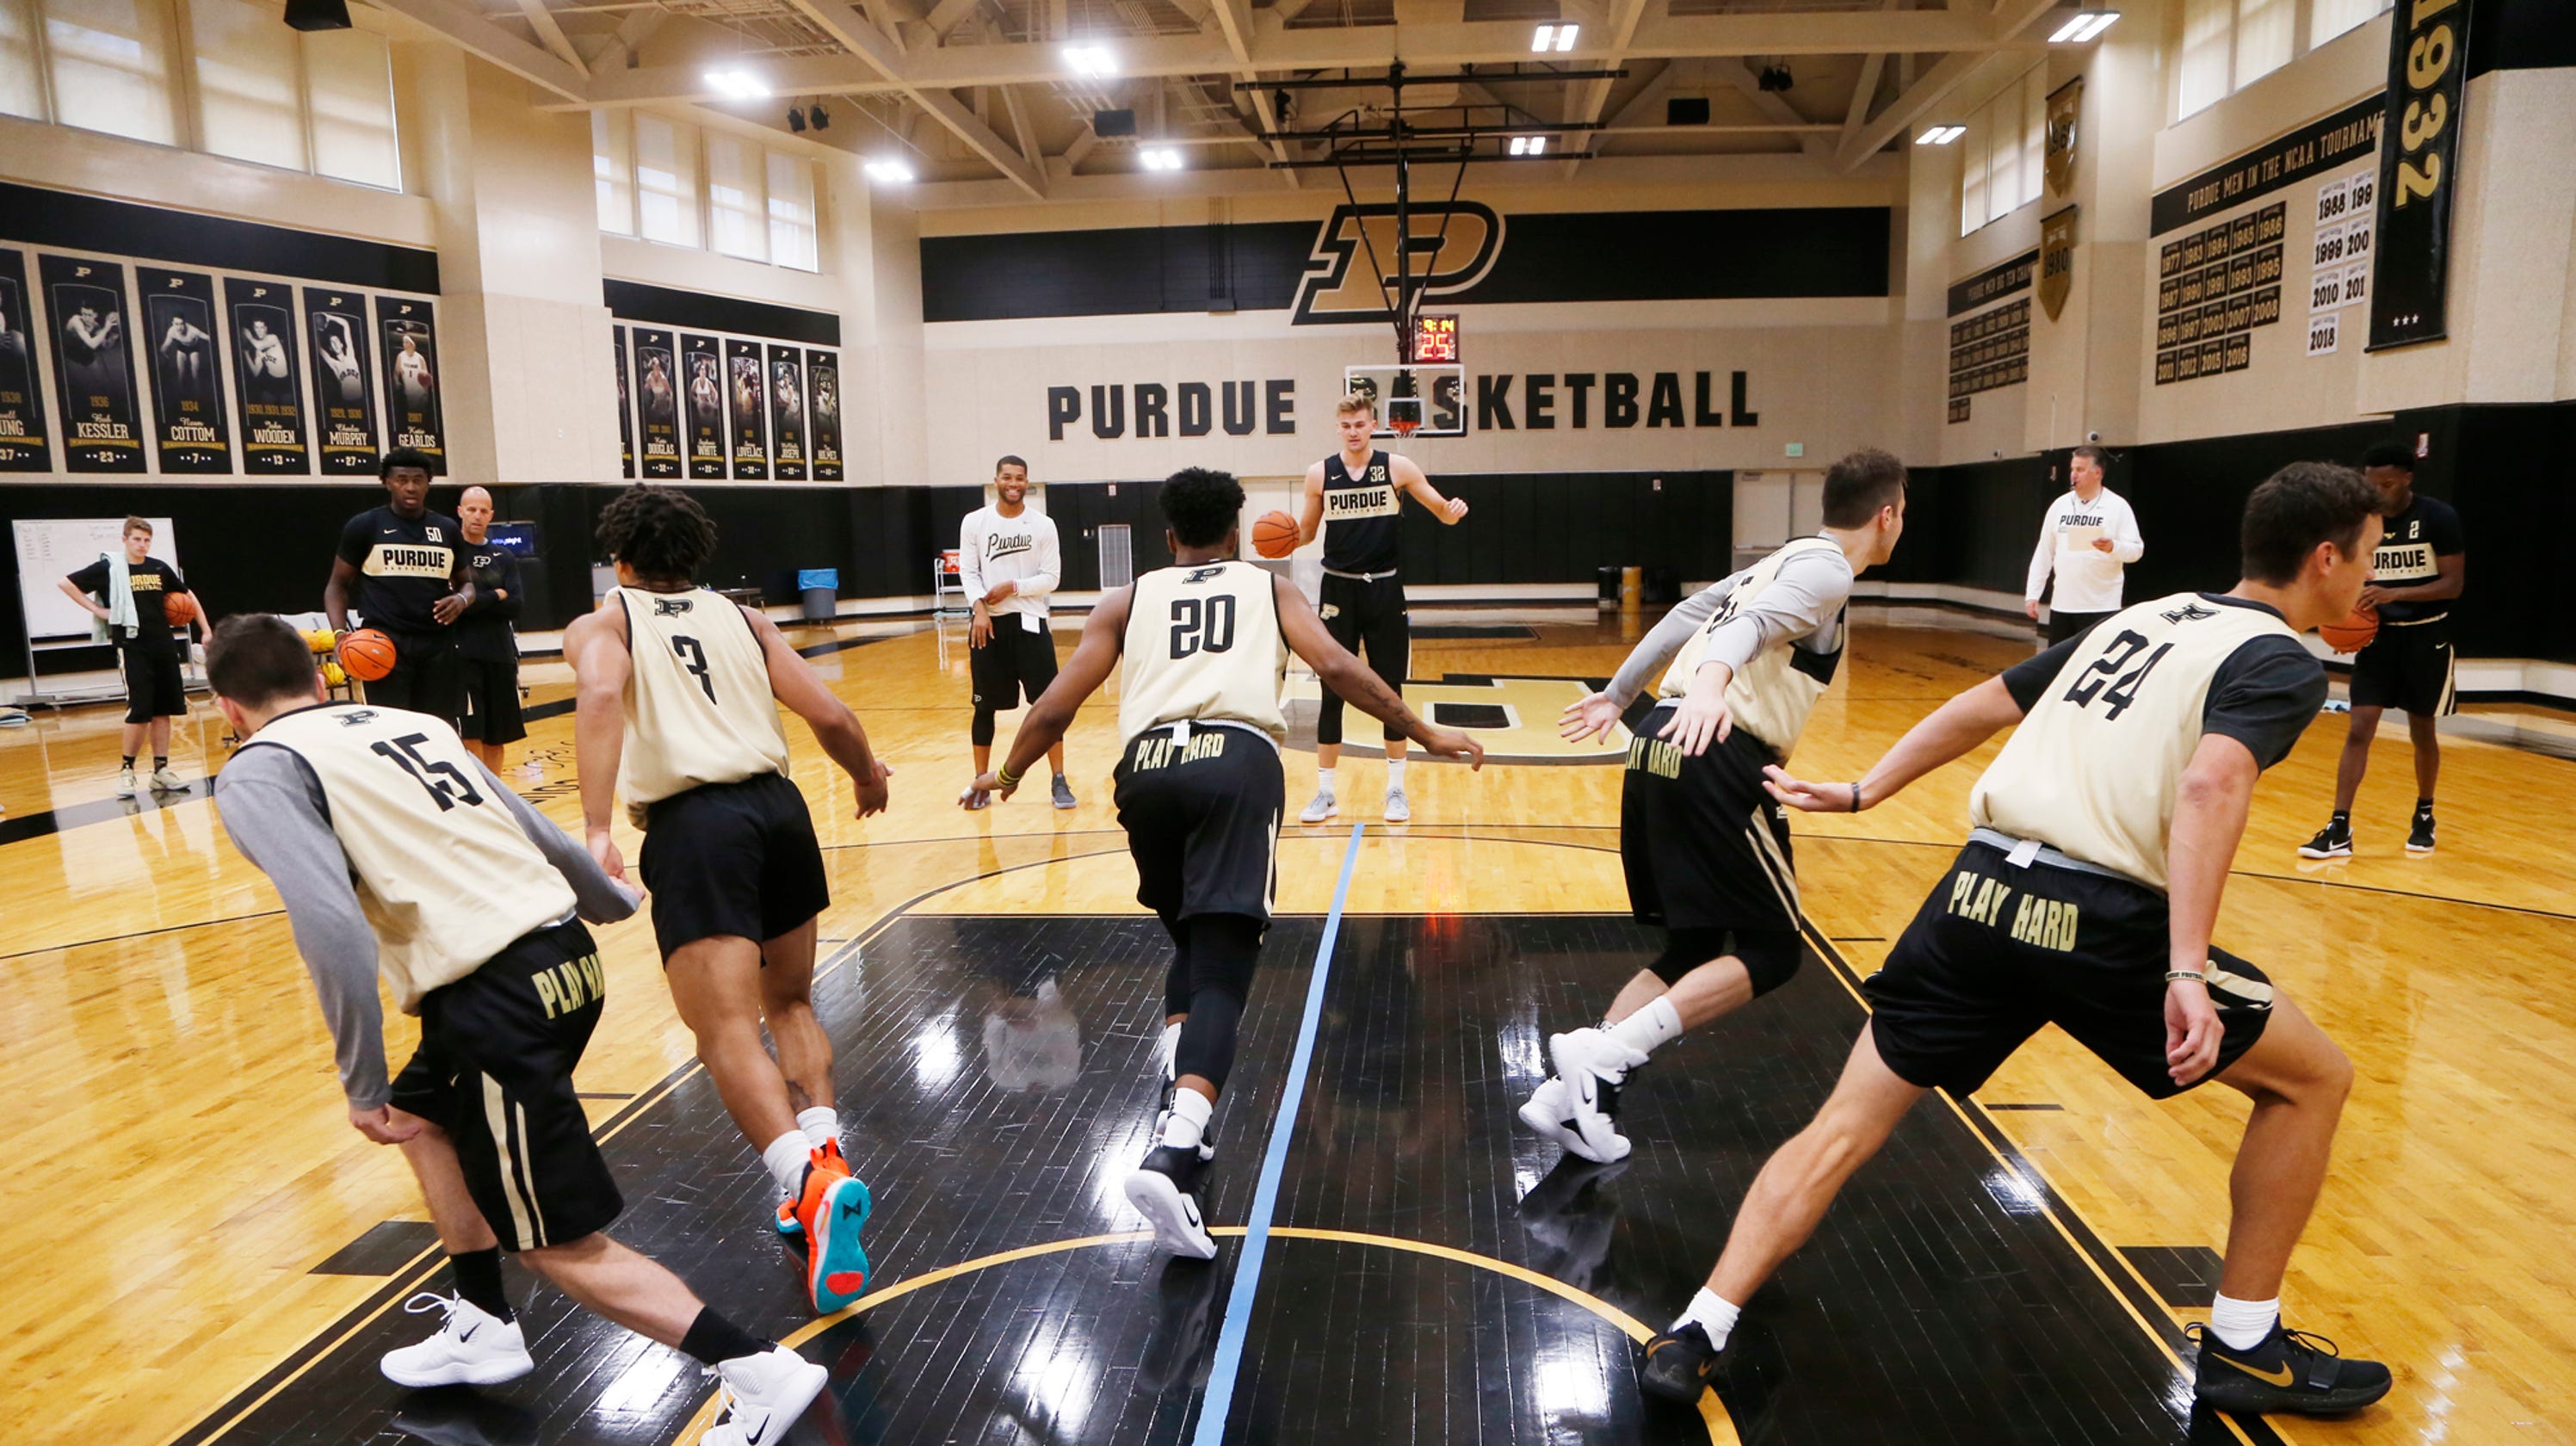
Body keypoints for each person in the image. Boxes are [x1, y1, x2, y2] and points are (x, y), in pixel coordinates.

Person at [1634, 463, 2390, 1420]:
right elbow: (2208, 787)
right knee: (2311, 1078)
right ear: (2322, 559)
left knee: (1839, 1128)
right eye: (2363, 559)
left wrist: (1867, 789)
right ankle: (2244, 1344)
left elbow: (1983, 704)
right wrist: (2186, 969)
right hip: (2098, 921)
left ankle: (1699, 1325)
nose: (2366, 581)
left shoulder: (2136, 618)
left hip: (1974, 896)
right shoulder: (2277, 658)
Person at [203, 615, 828, 1446]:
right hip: (562, 960)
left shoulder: (258, 770)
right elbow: (531, 825)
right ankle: (482, 1322)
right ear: (321, 680)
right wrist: (605, 902)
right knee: (423, 1113)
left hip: (492, 995)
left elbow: (330, 923)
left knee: (552, 1241)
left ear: (226, 708)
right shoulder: (413, 723)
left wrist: (357, 1082)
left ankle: (756, 1369)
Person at [966, 467, 1483, 1257]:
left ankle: (1185, 1110)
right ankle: (1175, 1149)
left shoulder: (1124, 598)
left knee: (1192, 946)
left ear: (1167, 537)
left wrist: (1002, 776)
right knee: (1223, 968)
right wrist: (1425, 732)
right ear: (1238, 532)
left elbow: (1053, 706)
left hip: (1145, 775)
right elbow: (1341, 669)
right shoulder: (1269, 588)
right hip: (1232, 765)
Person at [563, 485, 894, 1314]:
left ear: (621, 561)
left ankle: (804, 1185)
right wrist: (864, 772)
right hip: (778, 812)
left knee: (721, 1031)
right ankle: (825, 1159)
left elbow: (602, 696)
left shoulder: (605, 623)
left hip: (695, 827)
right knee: (788, 1001)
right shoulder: (746, 620)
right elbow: (829, 710)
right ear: (696, 555)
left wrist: (597, 829)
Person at [1526, 449, 1907, 1164]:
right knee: (1772, 950)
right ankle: (1606, 1060)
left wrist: (1618, 694)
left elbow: (1681, 617)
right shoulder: (1826, 570)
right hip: (1713, 747)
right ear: (1886, 514)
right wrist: (1708, 688)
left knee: (1695, 947)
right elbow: (1742, 630)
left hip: (1656, 744)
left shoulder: (1783, 557)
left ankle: (1566, 1097)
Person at [1292, 392, 1470, 825]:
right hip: (1339, 590)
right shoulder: (1321, 474)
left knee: (1390, 690)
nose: (1353, 432)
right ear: (1338, 427)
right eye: (1346, 425)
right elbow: (1307, 534)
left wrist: (1452, 512)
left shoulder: (1398, 468)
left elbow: (1440, 511)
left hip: (1385, 589)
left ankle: (1396, 790)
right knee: (1331, 691)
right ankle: (1326, 793)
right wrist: (1277, 537)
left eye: (1360, 424)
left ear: (1373, 425)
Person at [2299, 442, 2465, 859]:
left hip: (2427, 636)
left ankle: (2424, 815)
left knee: (2422, 730)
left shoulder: (2438, 518)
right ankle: (2339, 827)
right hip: (2379, 639)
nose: (2377, 492)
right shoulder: (2360, 523)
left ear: (2408, 479)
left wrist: (2395, 593)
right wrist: (2341, 624)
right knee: (2359, 728)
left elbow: (2453, 585)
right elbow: (2343, 578)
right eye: (2370, 484)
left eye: (2386, 484)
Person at [60, 516, 207, 798]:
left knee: (164, 710)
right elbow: (66, 583)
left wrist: (206, 628)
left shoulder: (159, 568)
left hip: (163, 645)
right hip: (132, 645)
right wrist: (98, 610)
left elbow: (187, 596)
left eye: (147, 540)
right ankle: (126, 771)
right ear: (125, 539)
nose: (142, 544)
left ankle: (160, 771)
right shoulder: (111, 568)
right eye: (137, 539)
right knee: (140, 711)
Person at [960, 454, 1073, 809]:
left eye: (1020, 478)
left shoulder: (1043, 525)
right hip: (988, 627)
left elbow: (1051, 577)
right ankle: (981, 782)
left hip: (1030, 623)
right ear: (996, 480)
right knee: (983, 708)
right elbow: (968, 570)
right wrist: (979, 607)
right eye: (1007, 477)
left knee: (1049, 708)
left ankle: (1058, 780)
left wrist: (1013, 586)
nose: (1013, 483)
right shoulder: (975, 522)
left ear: (1027, 482)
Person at [324, 448, 473, 717]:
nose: (410, 487)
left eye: (418, 480)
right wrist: (339, 634)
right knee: (392, 727)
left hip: (438, 645)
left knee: (440, 728)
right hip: (384, 643)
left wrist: (461, 600)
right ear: (387, 482)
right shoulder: (365, 526)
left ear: (429, 483)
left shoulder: (447, 529)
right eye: (402, 480)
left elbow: (468, 585)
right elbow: (337, 585)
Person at [2024, 444, 2144, 646]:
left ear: (2097, 472)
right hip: (2063, 605)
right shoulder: (2059, 506)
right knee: (2060, 667)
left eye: (2080, 470)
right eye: (2073, 469)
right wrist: (2033, 593)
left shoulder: (2118, 506)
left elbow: (2136, 550)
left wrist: (2113, 547)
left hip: (2101, 606)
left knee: (2094, 668)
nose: (2073, 475)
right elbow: (2044, 552)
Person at [454, 486, 526, 769]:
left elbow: (517, 604)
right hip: (463, 656)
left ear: (491, 515)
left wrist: (473, 601)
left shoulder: (504, 556)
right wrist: (496, 594)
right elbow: (458, 607)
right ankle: (481, 798)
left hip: (500, 654)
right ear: (460, 511)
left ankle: (496, 796)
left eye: (484, 510)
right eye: (471, 509)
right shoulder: (452, 553)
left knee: (497, 736)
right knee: (471, 732)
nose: (477, 516)